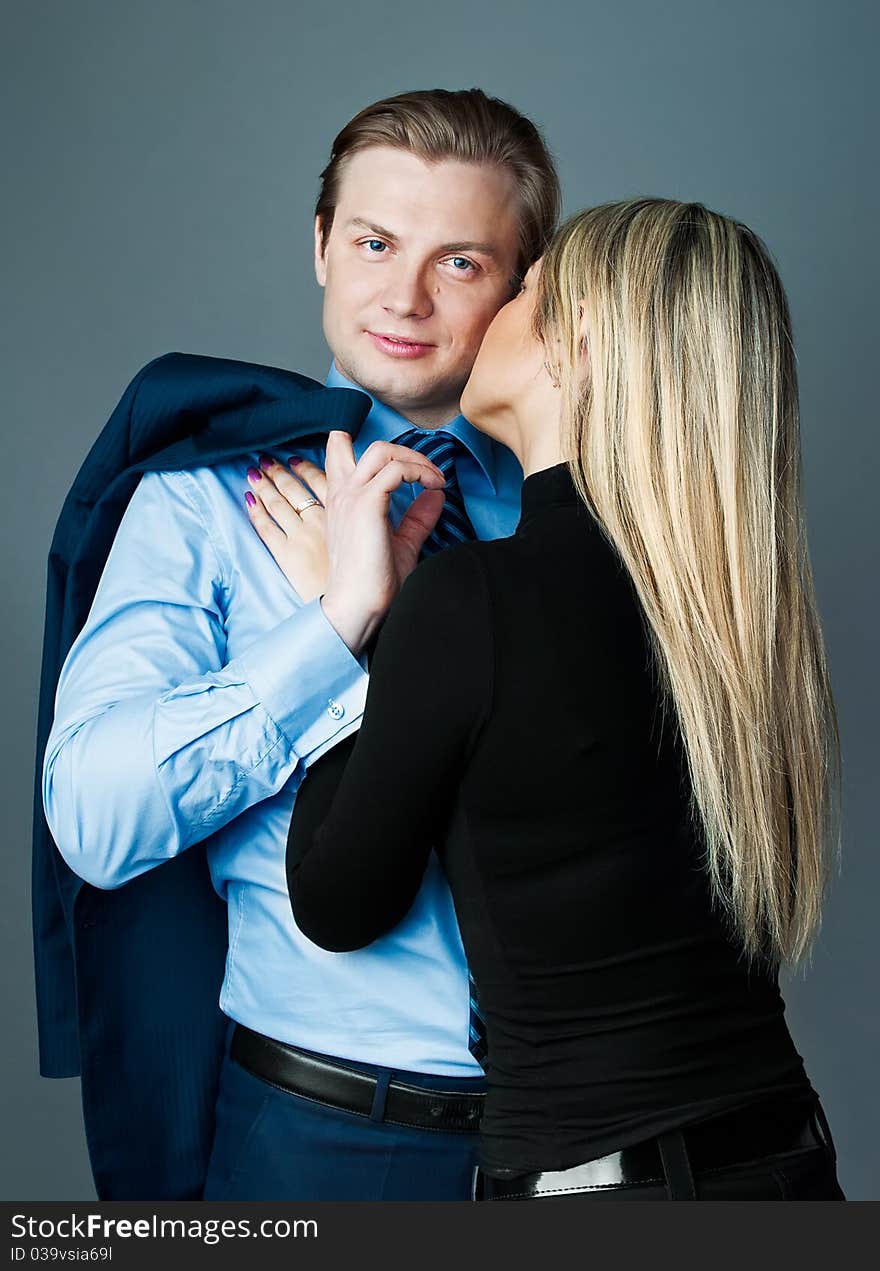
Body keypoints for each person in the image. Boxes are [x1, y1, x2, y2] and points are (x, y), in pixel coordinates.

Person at [40, 87, 560, 1201]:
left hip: (582, 1134)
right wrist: (338, 629)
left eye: (460, 262)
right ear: (321, 246)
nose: (405, 297)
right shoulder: (201, 504)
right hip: (329, 1137)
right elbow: (94, 817)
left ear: (524, 287)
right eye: (374, 242)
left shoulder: (585, 513)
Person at [280, 198, 845, 1200]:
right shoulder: (737, 610)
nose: (491, 305)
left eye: (527, 287)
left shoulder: (474, 602)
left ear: (575, 340)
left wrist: (349, 620)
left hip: (599, 1184)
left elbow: (336, 900)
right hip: (782, 1150)